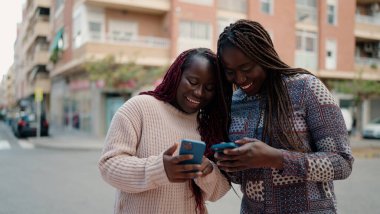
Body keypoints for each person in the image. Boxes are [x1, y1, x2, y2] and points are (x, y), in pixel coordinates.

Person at [215, 19, 354, 213]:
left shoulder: (306, 88)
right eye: (230, 72)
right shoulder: (235, 102)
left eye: (246, 68)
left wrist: (277, 158)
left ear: (264, 55)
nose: (239, 79)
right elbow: (241, 178)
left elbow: (343, 163)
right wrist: (230, 164)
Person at [98, 48, 231, 214]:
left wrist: (207, 171)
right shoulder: (139, 107)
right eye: (192, 81)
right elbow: (108, 165)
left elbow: (219, 191)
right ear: (177, 75)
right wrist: (160, 169)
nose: (198, 92)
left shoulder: (209, 127)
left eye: (209, 88)